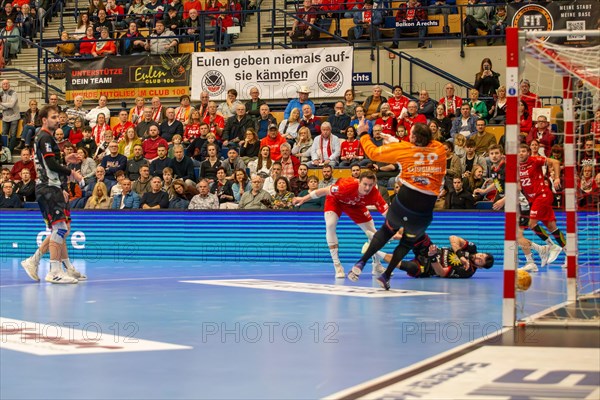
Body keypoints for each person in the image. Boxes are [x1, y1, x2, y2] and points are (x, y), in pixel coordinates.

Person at [349, 121, 446, 290]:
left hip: (405, 199)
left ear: (414, 137)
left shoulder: (405, 150)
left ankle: (361, 262)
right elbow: (420, 148)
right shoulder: (440, 149)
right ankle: (386, 275)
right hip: (424, 208)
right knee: (408, 243)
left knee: (387, 230)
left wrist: (363, 134)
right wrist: (396, 141)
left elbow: (373, 152)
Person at [21, 105, 85, 284]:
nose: (58, 120)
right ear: (44, 120)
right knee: (61, 229)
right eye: (54, 117)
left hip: (52, 187)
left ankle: (61, 267)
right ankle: (53, 270)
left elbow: (47, 162)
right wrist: (71, 173)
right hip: (48, 188)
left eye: (58, 117)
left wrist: (65, 160)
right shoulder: (45, 137)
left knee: (62, 228)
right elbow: (50, 164)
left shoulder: (43, 138)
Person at [293, 170, 387, 278]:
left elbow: (386, 213)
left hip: (355, 205)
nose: (367, 188)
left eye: (370, 185)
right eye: (365, 184)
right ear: (359, 182)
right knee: (330, 225)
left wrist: (397, 226)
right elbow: (323, 190)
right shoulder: (346, 186)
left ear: (374, 184)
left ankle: (376, 265)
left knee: (372, 232)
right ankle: (337, 265)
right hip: (336, 201)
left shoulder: (374, 193)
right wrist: (303, 199)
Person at [517, 143, 565, 272]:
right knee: (552, 227)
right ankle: (571, 256)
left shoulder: (535, 160)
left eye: (523, 151)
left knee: (531, 224)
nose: (520, 153)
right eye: (519, 151)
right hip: (533, 199)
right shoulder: (517, 166)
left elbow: (555, 162)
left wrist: (556, 178)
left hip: (542, 195)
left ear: (528, 153)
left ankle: (551, 246)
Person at [376, 234, 494, 279]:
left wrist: (432, 258)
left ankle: (375, 252)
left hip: (428, 267)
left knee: (411, 268)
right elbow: (453, 238)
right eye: (481, 255)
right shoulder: (471, 248)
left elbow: (442, 273)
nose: (478, 257)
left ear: (481, 267)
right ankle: (389, 236)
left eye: (480, 261)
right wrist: (461, 256)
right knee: (419, 234)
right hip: (432, 250)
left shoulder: (468, 271)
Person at [0, 79, 20, 151]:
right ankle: (4, 151)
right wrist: (7, 105)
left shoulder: (13, 93)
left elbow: (12, 105)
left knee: (13, 135)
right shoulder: (0, 93)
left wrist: (1, 104)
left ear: (9, 85)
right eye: (4, 84)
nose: (5, 85)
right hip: (5, 117)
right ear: (1, 85)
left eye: (7, 83)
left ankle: (10, 151)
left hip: (14, 117)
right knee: (4, 134)